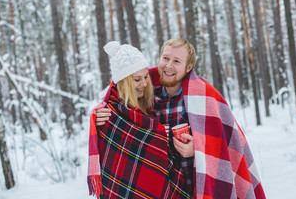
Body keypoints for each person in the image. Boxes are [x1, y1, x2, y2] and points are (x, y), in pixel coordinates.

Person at [95, 38, 266, 199]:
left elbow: (227, 145)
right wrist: (98, 113)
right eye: (165, 58)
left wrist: (198, 149)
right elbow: (119, 94)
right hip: (163, 186)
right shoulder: (147, 94)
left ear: (189, 67)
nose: (168, 66)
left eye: (176, 61)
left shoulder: (206, 96)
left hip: (196, 185)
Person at [88, 41, 189, 199]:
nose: (144, 83)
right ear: (124, 81)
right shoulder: (109, 116)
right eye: (136, 79)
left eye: (146, 76)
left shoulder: (147, 104)